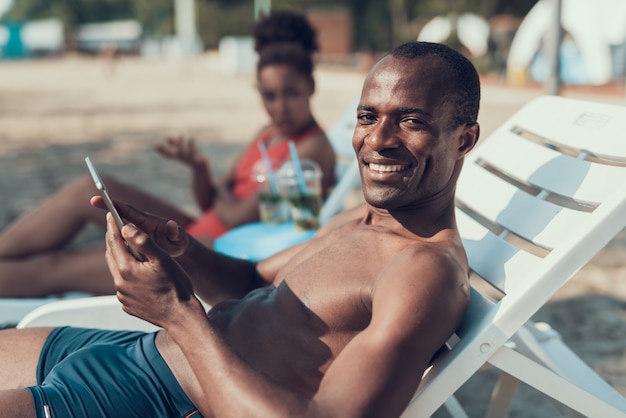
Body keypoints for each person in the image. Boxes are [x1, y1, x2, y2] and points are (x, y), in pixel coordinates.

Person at [0, 41, 481, 417]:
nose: (377, 140)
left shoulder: (424, 271)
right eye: (367, 116)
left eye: (411, 121)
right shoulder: (360, 219)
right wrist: (183, 249)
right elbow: (252, 283)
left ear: (464, 139)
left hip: (160, 397)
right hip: (135, 351)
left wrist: (177, 313)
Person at [0, 10, 335, 298]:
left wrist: (219, 192)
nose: (279, 107)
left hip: (216, 254)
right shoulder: (268, 134)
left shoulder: (311, 148)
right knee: (82, 191)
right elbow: (210, 202)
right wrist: (199, 168)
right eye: (269, 95)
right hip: (201, 230)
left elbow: (235, 217)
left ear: (312, 87)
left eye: (291, 93)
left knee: (57, 266)